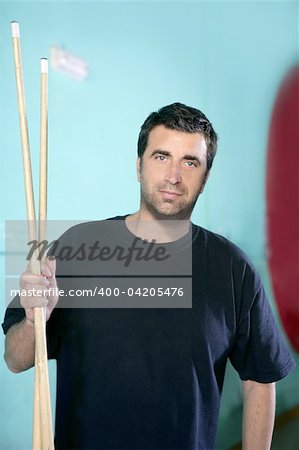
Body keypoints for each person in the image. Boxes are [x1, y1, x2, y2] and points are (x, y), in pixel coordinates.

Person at [2, 103, 295, 450]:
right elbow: (16, 360)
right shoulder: (77, 248)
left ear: (205, 177)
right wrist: (35, 322)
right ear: (138, 166)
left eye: (190, 162)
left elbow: (259, 379)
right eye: (161, 156)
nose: (173, 175)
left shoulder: (233, 268)